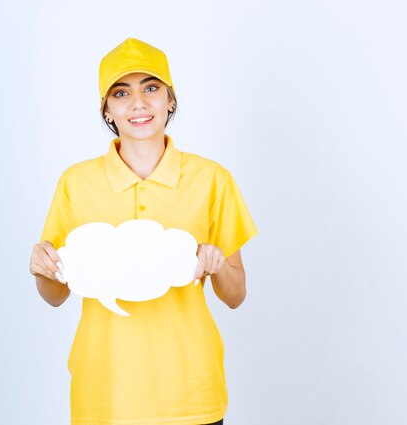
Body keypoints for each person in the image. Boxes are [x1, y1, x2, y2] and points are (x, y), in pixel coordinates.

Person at [29, 37, 258, 425]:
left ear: (170, 99)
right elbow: (55, 295)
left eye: (151, 88)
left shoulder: (211, 180)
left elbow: (235, 295)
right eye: (121, 93)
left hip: (189, 393)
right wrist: (42, 268)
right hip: (103, 394)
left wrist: (216, 264)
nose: (138, 102)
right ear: (107, 110)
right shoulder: (76, 182)